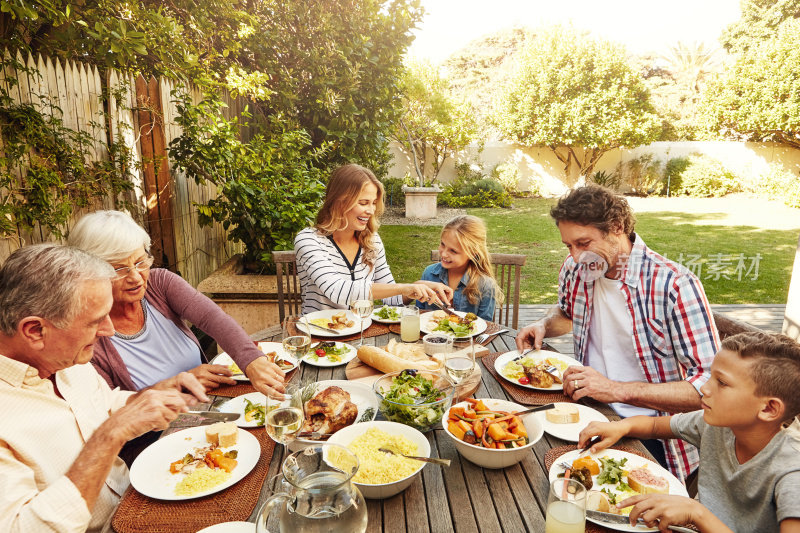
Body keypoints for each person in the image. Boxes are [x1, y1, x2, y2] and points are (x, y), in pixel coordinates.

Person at [515, 185, 719, 480]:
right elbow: (567, 314)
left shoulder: (674, 285)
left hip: (653, 435)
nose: (574, 256)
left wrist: (615, 389)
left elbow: (709, 387)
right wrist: (544, 325)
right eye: (568, 246)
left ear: (616, 227)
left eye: (583, 243)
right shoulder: (577, 270)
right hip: (585, 410)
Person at [0, 244, 209, 532]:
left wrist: (151, 396)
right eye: (96, 321)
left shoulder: (67, 359)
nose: (109, 330)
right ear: (35, 330)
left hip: (139, 504)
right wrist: (109, 436)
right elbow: (20, 527)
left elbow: (104, 403)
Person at [577, 331, 800, 533]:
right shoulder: (716, 426)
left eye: (721, 382)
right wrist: (621, 426)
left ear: (769, 408)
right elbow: (655, 426)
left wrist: (697, 513)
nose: (704, 388)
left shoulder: (792, 473)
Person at [68, 210, 285, 397]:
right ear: (90, 273)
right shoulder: (87, 338)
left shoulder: (159, 283)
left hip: (210, 408)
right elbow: (109, 412)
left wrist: (251, 361)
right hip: (158, 437)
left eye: (140, 262)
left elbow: (213, 318)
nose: (135, 277)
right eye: (119, 269)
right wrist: (179, 384)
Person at [294, 163, 452, 314]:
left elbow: (392, 299)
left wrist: (416, 287)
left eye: (374, 203)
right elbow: (338, 290)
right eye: (363, 203)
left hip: (360, 332)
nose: (371, 210)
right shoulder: (309, 240)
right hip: (318, 335)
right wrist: (403, 287)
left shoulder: (371, 241)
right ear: (338, 202)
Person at [417, 215, 503, 321]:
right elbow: (419, 315)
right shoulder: (429, 273)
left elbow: (485, 326)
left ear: (472, 253)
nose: (443, 254)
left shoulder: (486, 285)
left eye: (453, 251)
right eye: (442, 244)